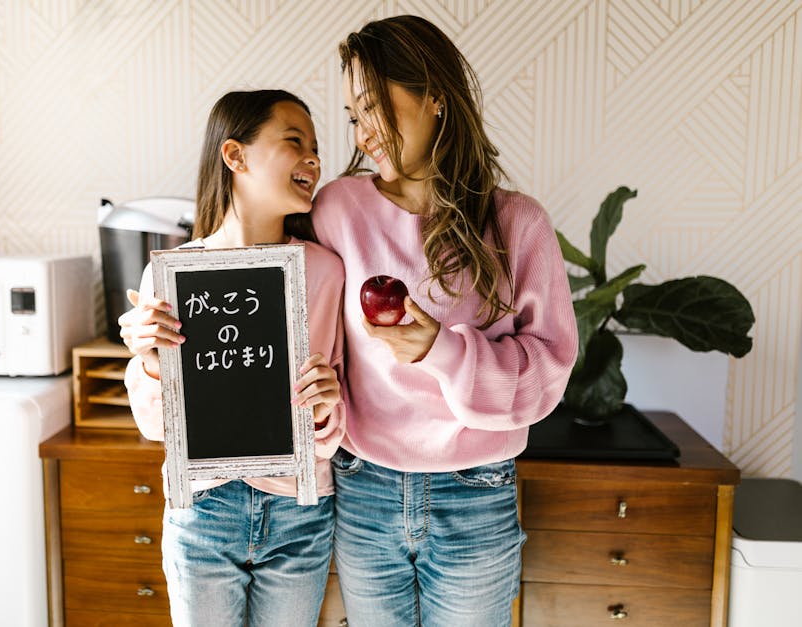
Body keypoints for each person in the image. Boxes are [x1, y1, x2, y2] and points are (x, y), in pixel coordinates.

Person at [309, 15, 579, 626]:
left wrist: (442, 350)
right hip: (365, 489)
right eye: (354, 115)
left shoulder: (517, 225)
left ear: (435, 96)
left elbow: (549, 372)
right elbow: (279, 291)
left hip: (476, 492)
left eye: (375, 106)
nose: (363, 131)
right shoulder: (337, 210)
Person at [118, 89, 346, 627]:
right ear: (235, 156)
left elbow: (336, 412)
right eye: (295, 142)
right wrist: (151, 362)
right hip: (204, 509)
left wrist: (322, 407)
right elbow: (157, 426)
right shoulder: (173, 275)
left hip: (299, 510)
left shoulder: (327, 272)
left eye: (316, 147)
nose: (313, 158)